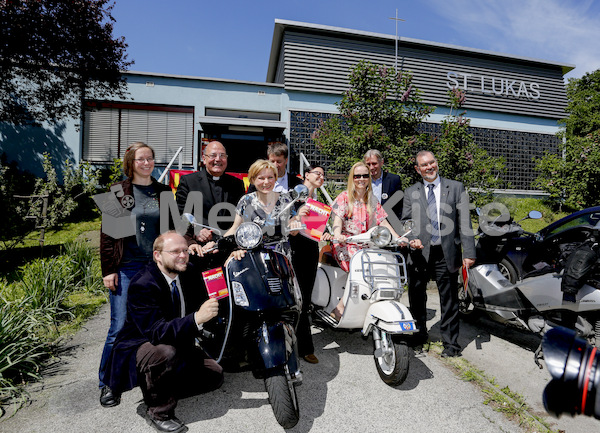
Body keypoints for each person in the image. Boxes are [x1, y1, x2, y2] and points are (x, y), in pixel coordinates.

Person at [104, 232, 223, 433]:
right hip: (143, 344)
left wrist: (234, 254)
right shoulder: (142, 283)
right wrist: (197, 318)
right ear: (157, 255)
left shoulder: (188, 271)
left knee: (215, 376)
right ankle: (159, 410)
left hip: (178, 340)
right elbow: (157, 333)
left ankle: (160, 387)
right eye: (175, 251)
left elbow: (214, 268)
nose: (183, 256)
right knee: (165, 353)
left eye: (185, 250)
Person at [99, 142, 172, 408]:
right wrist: (109, 269)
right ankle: (109, 383)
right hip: (127, 267)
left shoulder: (164, 192)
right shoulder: (117, 192)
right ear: (131, 162)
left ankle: (152, 377)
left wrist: (192, 240)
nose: (146, 163)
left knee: (155, 322)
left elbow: (173, 227)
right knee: (119, 325)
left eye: (150, 158)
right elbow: (108, 236)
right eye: (141, 159)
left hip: (155, 267)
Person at [401, 150, 476, 358]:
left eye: (431, 162)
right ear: (418, 169)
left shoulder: (456, 187)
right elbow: (406, 221)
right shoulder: (410, 192)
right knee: (416, 297)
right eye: (424, 165)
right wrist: (410, 238)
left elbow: (465, 223)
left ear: (437, 163)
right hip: (419, 253)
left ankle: (451, 344)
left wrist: (468, 252)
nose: (429, 167)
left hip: (446, 253)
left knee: (449, 299)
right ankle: (418, 336)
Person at [325, 161, 419, 320]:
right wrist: (337, 233)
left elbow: (383, 222)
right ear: (352, 178)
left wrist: (398, 238)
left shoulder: (372, 199)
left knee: (380, 263)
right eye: (357, 176)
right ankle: (340, 307)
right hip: (345, 243)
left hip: (365, 243)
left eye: (365, 176)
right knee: (357, 263)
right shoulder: (344, 197)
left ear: (369, 178)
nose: (361, 179)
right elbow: (337, 221)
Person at [224, 159, 304, 256]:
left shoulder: (286, 200)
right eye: (261, 178)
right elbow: (235, 228)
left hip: (281, 259)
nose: (266, 182)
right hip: (253, 257)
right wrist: (219, 243)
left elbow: (294, 228)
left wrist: (294, 226)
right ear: (253, 180)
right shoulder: (246, 200)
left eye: (270, 177)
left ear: (275, 179)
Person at [176, 140, 245, 245]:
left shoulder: (237, 184)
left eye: (222, 155)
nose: (218, 159)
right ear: (204, 159)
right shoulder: (189, 182)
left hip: (227, 244)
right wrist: (196, 231)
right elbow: (180, 213)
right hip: (198, 244)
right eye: (213, 155)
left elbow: (240, 215)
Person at [290, 165, 326, 364]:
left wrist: (325, 232)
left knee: (305, 297)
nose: (321, 176)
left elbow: (315, 232)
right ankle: (298, 345)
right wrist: (297, 215)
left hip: (310, 249)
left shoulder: (318, 203)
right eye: (317, 173)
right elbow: (288, 227)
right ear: (306, 175)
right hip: (292, 248)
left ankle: (303, 346)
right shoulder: (292, 196)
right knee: (295, 297)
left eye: (323, 174)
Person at [363, 149, 403, 217]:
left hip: (389, 222)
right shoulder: (361, 181)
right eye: (368, 164)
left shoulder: (394, 180)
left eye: (374, 164)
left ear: (382, 162)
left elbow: (399, 207)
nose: (371, 167)